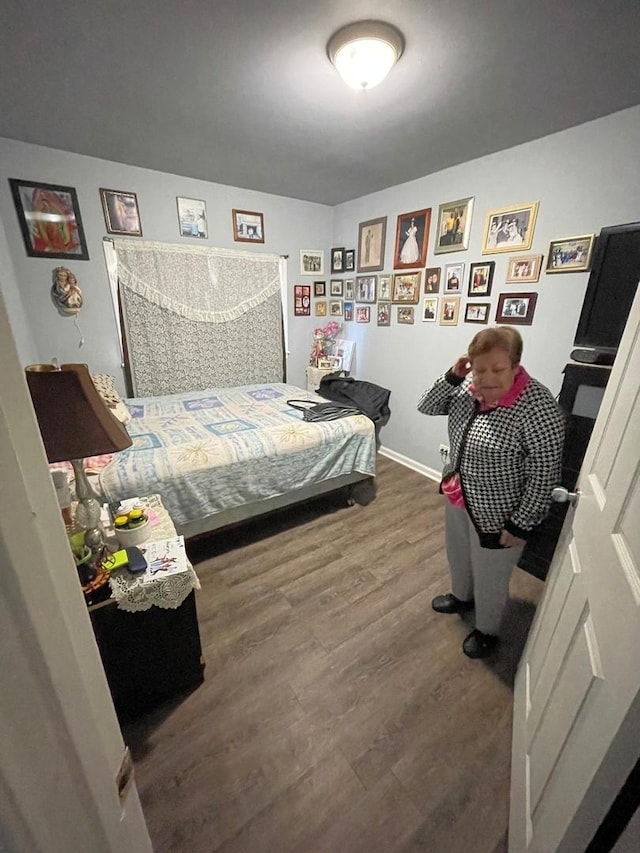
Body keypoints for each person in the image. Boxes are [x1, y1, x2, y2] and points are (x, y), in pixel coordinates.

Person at [417, 326, 564, 658]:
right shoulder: (465, 388)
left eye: (497, 369)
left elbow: (544, 473)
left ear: (515, 365)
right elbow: (426, 405)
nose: (486, 378)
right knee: (459, 553)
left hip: (500, 512)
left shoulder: (538, 407)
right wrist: (453, 377)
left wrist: (521, 524)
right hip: (460, 493)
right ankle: (461, 596)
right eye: (479, 368)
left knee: (491, 574)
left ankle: (487, 629)